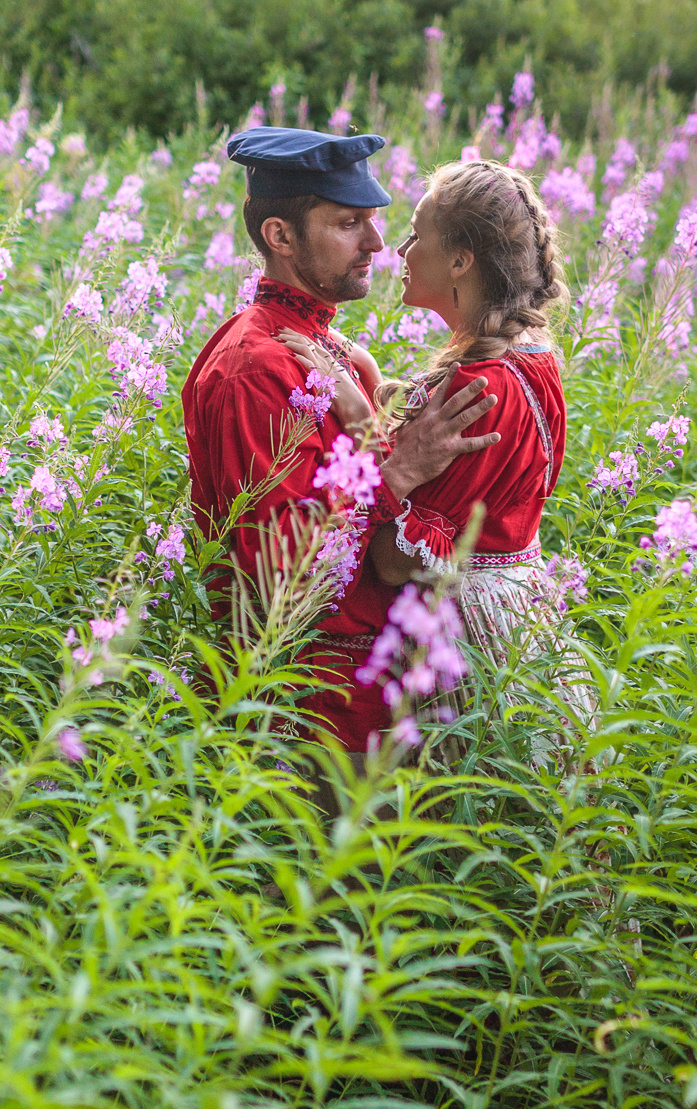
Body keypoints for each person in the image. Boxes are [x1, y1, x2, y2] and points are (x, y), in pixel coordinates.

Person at [182, 127, 505, 755]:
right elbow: (280, 576)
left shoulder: (333, 354)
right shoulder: (258, 368)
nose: (378, 243)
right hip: (306, 711)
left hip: (368, 694)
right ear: (279, 236)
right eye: (349, 223)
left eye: (374, 221)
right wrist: (399, 471)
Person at [276, 157, 589, 757]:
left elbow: (396, 563)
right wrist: (367, 378)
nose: (397, 247)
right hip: (522, 611)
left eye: (417, 234)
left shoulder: (481, 391)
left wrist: (363, 422)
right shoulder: (528, 358)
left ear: (460, 261)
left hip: (468, 639)